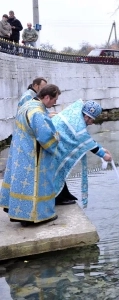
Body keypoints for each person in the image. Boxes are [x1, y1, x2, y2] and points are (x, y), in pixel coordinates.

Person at [0, 84, 61, 227]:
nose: (55, 103)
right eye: (54, 99)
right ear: (46, 97)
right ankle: (39, 215)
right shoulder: (38, 113)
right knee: (36, 183)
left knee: (20, 183)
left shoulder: (27, 105)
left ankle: (19, 214)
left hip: (20, 151)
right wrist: (57, 138)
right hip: (33, 155)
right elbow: (46, 137)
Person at [51, 100, 112, 207]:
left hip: (54, 143)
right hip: (53, 147)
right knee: (58, 170)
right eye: (92, 119)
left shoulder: (76, 114)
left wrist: (101, 148)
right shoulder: (79, 126)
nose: (92, 122)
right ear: (87, 117)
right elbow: (85, 140)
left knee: (58, 171)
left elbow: (87, 141)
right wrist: (104, 155)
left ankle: (63, 195)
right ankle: (58, 198)